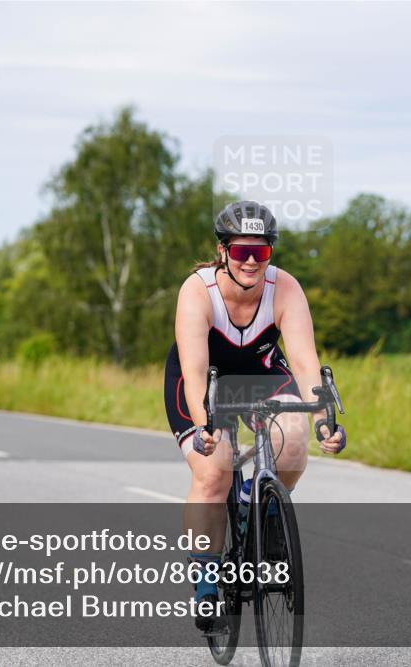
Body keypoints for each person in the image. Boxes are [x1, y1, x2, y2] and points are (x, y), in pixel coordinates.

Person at [163, 200, 346, 631]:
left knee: (295, 440)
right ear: (222, 250)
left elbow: (304, 362)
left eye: (260, 252)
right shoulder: (197, 290)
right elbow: (193, 373)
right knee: (214, 470)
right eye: (241, 251)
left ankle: (260, 510)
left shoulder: (285, 288)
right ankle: (207, 578)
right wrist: (205, 426)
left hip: (262, 373)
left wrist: (323, 420)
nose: (250, 261)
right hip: (205, 379)